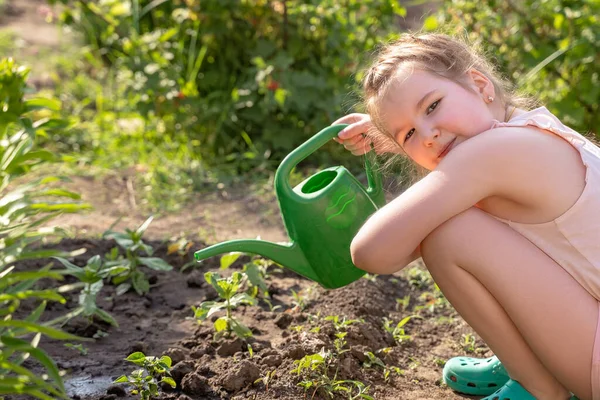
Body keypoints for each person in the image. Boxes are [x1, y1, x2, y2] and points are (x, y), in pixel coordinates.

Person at [333, 33, 600, 400]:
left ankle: (539, 387)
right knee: (464, 220)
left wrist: (402, 133)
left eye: (432, 107)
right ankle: (530, 357)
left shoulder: (487, 154)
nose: (428, 135)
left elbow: (370, 251)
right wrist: (399, 124)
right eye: (409, 134)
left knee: (449, 234)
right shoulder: (530, 128)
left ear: (480, 85)